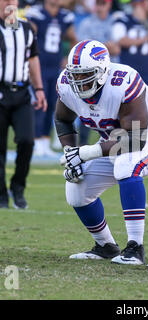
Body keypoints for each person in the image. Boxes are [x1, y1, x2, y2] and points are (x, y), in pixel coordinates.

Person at [55, 39, 148, 264]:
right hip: (115, 142)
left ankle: (135, 247)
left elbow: (135, 139)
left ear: (102, 71)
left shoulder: (123, 80)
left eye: (85, 74)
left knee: (126, 164)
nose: (78, 81)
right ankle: (105, 246)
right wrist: (72, 156)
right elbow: (62, 119)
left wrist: (86, 153)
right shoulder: (66, 85)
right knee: (75, 188)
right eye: (75, 74)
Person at [0, 0, 47, 209]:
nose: (9, 2)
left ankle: (18, 187)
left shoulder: (26, 28)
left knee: (27, 141)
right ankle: (1, 195)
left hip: (21, 93)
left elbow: (33, 59)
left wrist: (39, 89)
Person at [25, 0, 77, 157]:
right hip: (39, 67)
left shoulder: (65, 16)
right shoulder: (36, 13)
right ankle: (35, 140)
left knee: (53, 106)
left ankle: (45, 141)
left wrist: (68, 57)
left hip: (55, 68)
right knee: (39, 104)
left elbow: (73, 38)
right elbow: (28, 39)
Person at [76, 0, 121, 145]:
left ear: (109, 4)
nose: (100, 6)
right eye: (99, 3)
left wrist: (98, 48)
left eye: (103, 3)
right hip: (90, 75)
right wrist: (105, 47)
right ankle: (82, 146)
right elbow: (82, 49)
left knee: (115, 110)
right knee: (87, 108)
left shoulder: (116, 22)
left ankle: (115, 145)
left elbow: (117, 48)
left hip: (111, 73)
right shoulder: (86, 23)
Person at [111, 0, 148, 94]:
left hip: (147, 72)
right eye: (140, 2)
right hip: (126, 73)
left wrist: (143, 20)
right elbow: (120, 40)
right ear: (133, 3)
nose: (143, 4)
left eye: (144, 1)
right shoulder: (123, 18)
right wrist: (144, 39)